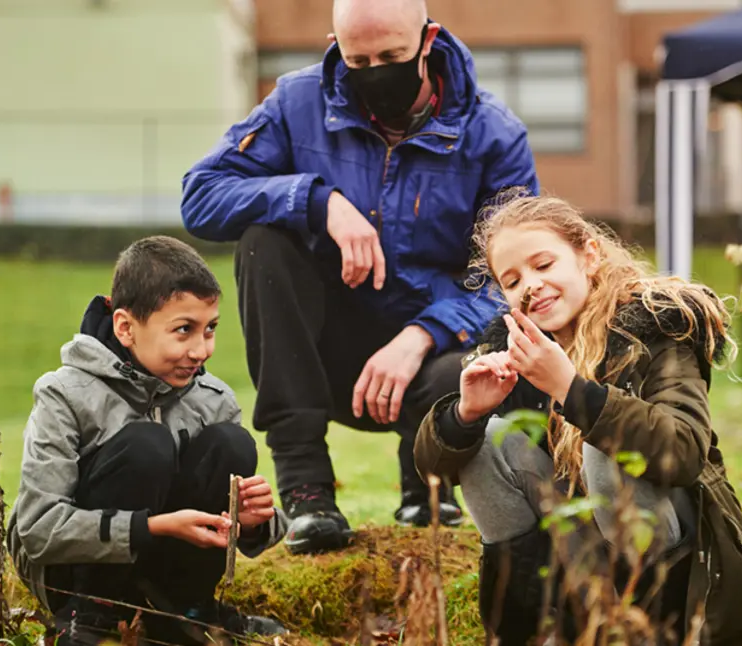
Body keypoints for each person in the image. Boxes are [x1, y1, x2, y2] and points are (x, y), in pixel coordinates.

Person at [180, 0, 539, 554]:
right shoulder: (296, 103)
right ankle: (307, 495)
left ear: (428, 40)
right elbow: (201, 197)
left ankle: (429, 486)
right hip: (324, 357)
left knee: (479, 354)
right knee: (264, 242)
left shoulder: (494, 134)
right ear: (335, 48)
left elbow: (509, 277)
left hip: (436, 361)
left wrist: (423, 334)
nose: (376, 72)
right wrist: (314, 200)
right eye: (358, 59)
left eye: (392, 55)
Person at [413, 195, 742, 645]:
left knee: (605, 450)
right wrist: (465, 414)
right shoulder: (515, 352)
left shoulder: (655, 326)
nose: (531, 286)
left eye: (544, 265)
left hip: (682, 580)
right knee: (492, 441)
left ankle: (648, 635)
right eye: (512, 281)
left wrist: (571, 390)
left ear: (589, 256)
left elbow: (683, 451)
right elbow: (437, 475)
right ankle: (538, 633)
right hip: (581, 569)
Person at [6, 236, 290, 645]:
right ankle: (91, 617)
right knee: (145, 446)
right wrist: (152, 527)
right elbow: (37, 529)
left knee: (233, 444)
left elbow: (235, 520)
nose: (201, 349)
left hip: (163, 569)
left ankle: (187, 614)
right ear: (125, 327)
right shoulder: (64, 393)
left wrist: (253, 522)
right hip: (74, 578)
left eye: (210, 329)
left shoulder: (213, 398)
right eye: (183, 330)